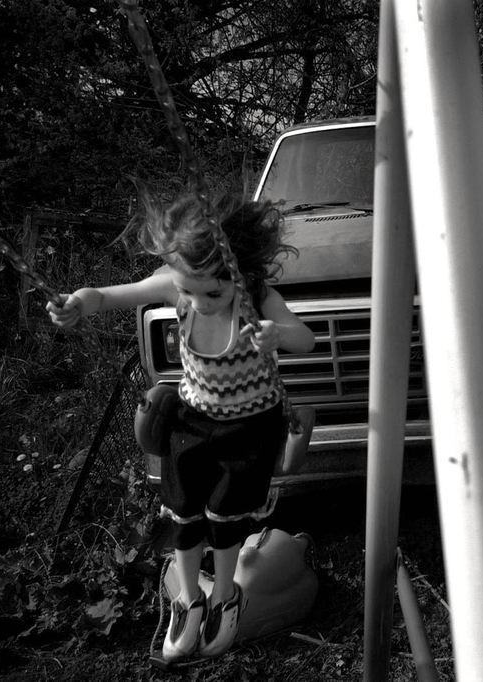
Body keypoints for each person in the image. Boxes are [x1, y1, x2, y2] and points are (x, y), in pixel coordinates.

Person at [46, 189, 315, 663]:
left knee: (228, 512)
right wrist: (80, 302)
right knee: (184, 510)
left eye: (213, 292)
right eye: (189, 291)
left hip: (250, 424)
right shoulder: (179, 283)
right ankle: (188, 599)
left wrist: (278, 335)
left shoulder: (257, 296)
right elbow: (109, 295)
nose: (198, 301)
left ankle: (225, 595)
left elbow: (306, 339)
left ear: (239, 271)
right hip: (194, 419)